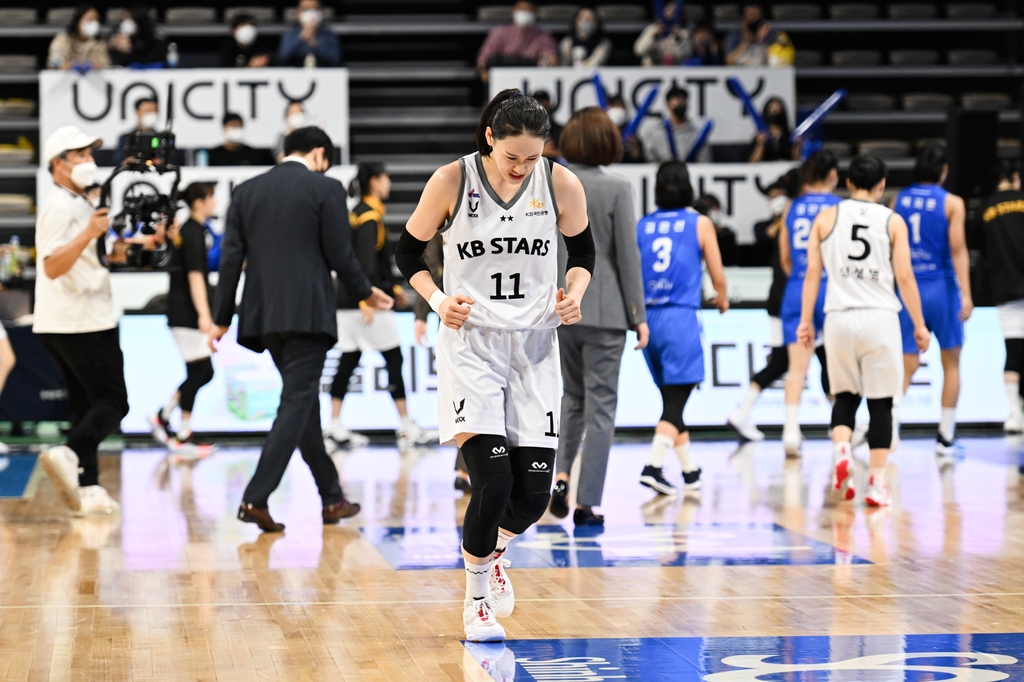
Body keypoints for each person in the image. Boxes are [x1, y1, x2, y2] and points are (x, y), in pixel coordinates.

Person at [395, 89, 593, 641]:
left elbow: (584, 254)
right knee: (491, 480)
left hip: (534, 348)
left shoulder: (559, 183)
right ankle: (475, 599)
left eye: (532, 157)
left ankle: (495, 551)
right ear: (490, 138)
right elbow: (406, 253)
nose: (522, 168)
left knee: (534, 495)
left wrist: (574, 291)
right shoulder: (452, 181)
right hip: (473, 346)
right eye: (512, 157)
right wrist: (437, 302)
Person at [208, 127, 394, 533]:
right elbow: (340, 255)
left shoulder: (246, 190)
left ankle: (331, 499)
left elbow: (229, 261)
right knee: (297, 401)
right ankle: (255, 498)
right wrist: (366, 292)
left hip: (263, 317)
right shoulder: (326, 188)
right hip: (308, 314)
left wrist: (221, 317)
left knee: (303, 402)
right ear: (320, 154)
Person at [797, 154, 928, 507]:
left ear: (849, 183)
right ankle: (876, 484)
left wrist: (806, 320)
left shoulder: (826, 218)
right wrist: (919, 324)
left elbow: (812, 273)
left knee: (845, 397)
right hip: (879, 317)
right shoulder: (892, 220)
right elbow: (904, 277)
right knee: (881, 404)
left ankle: (842, 451)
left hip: (838, 317)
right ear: (882, 185)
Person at [546, 108, 648, 527]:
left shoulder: (553, 182)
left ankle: (561, 475)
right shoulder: (618, 188)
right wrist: (638, 315)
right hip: (605, 312)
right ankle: (587, 503)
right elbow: (627, 255)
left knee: (571, 399)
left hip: (561, 304)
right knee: (602, 407)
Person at [34, 126, 129, 516]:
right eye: (81, 154)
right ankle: (71, 454)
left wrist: (135, 244)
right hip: (81, 320)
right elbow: (53, 265)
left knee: (84, 405)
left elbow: (95, 257)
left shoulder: (78, 203)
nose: (89, 161)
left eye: (90, 153)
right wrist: (90, 231)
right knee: (114, 402)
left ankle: (88, 488)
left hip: (68, 320)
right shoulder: (60, 205)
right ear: (59, 164)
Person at [323, 162, 438, 452]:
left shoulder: (357, 213)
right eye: (385, 177)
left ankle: (333, 427)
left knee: (347, 362)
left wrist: (393, 288)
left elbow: (372, 261)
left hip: (344, 302)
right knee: (394, 360)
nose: (389, 183)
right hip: (364, 303)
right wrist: (368, 299)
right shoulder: (369, 217)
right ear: (375, 182)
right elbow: (363, 262)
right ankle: (405, 427)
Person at [636, 161, 728, 496]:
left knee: (671, 402)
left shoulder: (642, 225)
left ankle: (690, 472)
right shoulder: (700, 223)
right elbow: (717, 273)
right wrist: (723, 298)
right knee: (676, 402)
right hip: (680, 317)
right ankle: (653, 466)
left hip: (648, 321)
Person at [891, 145, 972, 456]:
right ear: (943, 171)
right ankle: (945, 437)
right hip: (941, 287)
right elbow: (958, 249)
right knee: (951, 364)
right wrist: (966, 292)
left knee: (906, 364)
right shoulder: (952, 202)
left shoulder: (899, 199)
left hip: (907, 288)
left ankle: (889, 426)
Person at [728, 169, 804, 440]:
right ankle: (845, 428)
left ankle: (744, 411)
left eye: (778, 195)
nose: (775, 200)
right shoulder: (787, 221)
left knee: (787, 361)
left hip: (783, 299)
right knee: (795, 360)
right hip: (791, 300)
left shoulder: (794, 218)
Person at [776, 151, 841, 455]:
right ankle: (843, 427)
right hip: (831, 289)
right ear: (832, 175)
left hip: (798, 286)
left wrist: (803, 278)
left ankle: (791, 431)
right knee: (839, 365)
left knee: (796, 367)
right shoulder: (840, 206)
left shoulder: (792, 207)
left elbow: (785, 257)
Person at [149, 182, 218, 454]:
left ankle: (166, 417)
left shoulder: (193, 231)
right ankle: (181, 432)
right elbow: (195, 275)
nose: (214, 203)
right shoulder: (191, 232)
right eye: (211, 198)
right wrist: (204, 315)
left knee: (202, 371)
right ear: (199, 202)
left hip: (184, 312)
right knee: (201, 371)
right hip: (186, 312)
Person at [978, 160, 1024, 432]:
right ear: (1016, 177)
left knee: (1014, 352)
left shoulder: (986, 208)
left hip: (1005, 288)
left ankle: (1013, 415)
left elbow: (979, 249)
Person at [476, 1, 557, 80]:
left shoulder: (543, 35)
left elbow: (552, 59)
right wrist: (483, 72)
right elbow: (483, 59)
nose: (524, 13)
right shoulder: (499, 33)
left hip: (530, 76)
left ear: (535, 13)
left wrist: (548, 62)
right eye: (521, 10)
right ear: (513, 12)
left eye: (528, 10)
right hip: (503, 75)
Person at [637, 87, 711, 163]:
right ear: (668, 104)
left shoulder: (696, 134)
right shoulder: (654, 132)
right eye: (676, 99)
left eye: (683, 99)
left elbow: (704, 162)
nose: (680, 102)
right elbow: (649, 159)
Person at [276, 0, 341, 67]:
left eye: (315, 9)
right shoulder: (289, 34)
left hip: (323, 74)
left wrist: (314, 43)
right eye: (306, 9)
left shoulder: (329, 35)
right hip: (296, 74)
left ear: (322, 12)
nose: (310, 13)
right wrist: (302, 37)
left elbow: (335, 59)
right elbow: (282, 58)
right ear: (298, 13)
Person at [47, 5, 110, 71]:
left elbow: (105, 62)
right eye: (90, 19)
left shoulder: (99, 42)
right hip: (65, 78)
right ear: (78, 21)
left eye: (96, 20)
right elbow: (55, 63)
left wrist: (92, 65)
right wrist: (71, 66)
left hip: (92, 79)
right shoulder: (62, 40)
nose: (93, 23)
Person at [634, 1, 692, 66]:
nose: (672, 12)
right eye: (669, 9)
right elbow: (639, 50)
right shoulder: (652, 29)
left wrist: (678, 39)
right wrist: (654, 36)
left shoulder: (683, 33)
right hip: (652, 70)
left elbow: (687, 54)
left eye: (675, 11)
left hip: (673, 72)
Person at [207, 113, 275, 167]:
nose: (236, 130)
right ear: (224, 128)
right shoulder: (213, 155)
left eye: (239, 127)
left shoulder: (252, 154)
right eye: (233, 127)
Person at [748, 97, 798, 162]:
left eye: (777, 109)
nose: (774, 111)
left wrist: (797, 145)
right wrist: (760, 144)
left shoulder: (790, 136)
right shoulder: (760, 137)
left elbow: (796, 160)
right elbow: (753, 161)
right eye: (771, 109)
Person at [116, 97, 160, 165]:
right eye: (147, 111)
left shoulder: (161, 137)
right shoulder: (126, 137)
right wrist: (127, 161)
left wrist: (161, 162)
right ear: (138, 113)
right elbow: (116, 161)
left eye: (154, 111)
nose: (151, 115)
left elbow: (170, 160)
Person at [531, 90, 562, 161]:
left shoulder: (561, 130)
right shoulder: (526, 130)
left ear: (550, 105)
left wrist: (554, 153)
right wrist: (540, 152)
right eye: (538, 103)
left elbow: (571, 154)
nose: (542, 106)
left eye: (544, 102)